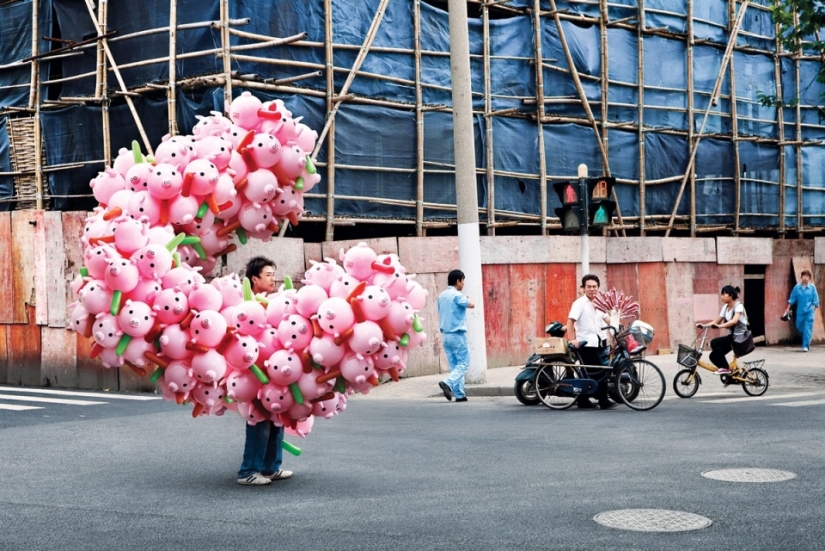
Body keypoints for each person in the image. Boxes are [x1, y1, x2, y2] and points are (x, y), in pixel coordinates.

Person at [236, 256, 293, 486]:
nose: (273, 279)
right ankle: (248, 471)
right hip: (254, 373)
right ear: (254, 279)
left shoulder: (274, 303)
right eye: (268, 274)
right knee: (258, 419)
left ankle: (270, 467)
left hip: (274, 370)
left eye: (273, 274)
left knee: (276, 418)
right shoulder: (246, 307)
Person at [566, 274, 617, 410]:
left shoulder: (600, 303)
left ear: (598, 288)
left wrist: (617, 324)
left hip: (600, 343)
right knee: (600, 372)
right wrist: (572, 339)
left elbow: (607, 319)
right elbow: (570, 321)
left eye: (594, 287)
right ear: (583, 288)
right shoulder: (579, 304)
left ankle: (583, 400)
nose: (592, 289)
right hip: (586, 344)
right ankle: (603, 400)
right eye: (589, 287)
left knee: (591, 373)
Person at [437, 269, 475, 403]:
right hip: (457, 335)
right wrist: (470, 297)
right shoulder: (457, 295)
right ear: (458, 281)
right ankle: (448, 383)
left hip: (446, 335)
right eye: (463, 281)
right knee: (464, 364)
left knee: (455, 365)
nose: (463, 284)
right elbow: (471, 305)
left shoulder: (441, 296)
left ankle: (459, 395)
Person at [696, 285, 748, 375]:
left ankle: (725, 368)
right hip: (733, 336)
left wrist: (720, 326)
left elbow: (734, 321)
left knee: (714, 342)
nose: (722, 297)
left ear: (731, 295)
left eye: (724, 294)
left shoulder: (738, 306)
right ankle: (731, 374)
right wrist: (704, 325)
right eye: (721, 295)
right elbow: (716, 321)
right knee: (713, 356)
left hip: (740, 336)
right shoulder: (725, 307)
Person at [784, 269, 819, 352]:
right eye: (804, 276)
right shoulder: (797, 288)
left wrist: (814, 306)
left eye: (807, 276)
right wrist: (788, 308)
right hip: (800, 311)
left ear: (809, 278)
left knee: (807, 328)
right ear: (801, 277)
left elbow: (816, 298)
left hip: (809, 311)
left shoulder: (812, 288)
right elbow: (792, 299)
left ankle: (805, 346)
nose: (805, 278)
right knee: (799, 326)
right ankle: (807, 339)